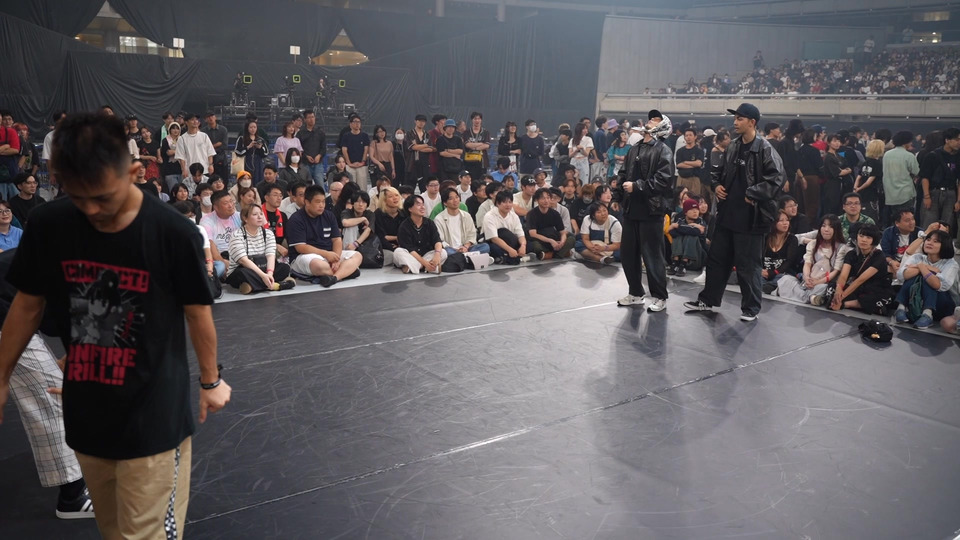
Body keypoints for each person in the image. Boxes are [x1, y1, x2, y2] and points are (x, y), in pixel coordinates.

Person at [0, 113, 229, 539]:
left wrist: (210, 380)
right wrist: (1, 377)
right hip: (87, 412)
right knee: (112, 529)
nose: (92, 210)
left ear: (136, 172)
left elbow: (198, 311)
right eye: (78, 197)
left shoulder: (172, 232)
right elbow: (29, 304)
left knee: (143, 535)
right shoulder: (50, 224)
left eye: (103, 197)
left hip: (154, 416)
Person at [0, 249, 95, 520]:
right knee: (53, 394)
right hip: (6, 318)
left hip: (13, 311)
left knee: (55, 386)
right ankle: (72, 497)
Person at [684, 103, 785, 321]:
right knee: (717, 260)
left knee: (748, 266)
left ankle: (751, 308)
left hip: (751, 217)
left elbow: (777, 180)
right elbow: (718, 171)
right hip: (727, 213)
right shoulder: (733, 146)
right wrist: (717, 185)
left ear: (752, 122)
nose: (735, 122)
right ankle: (708, 299)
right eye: (735, 118)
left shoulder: (765, 149)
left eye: (740, 118)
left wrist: (753, 193)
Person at [615, 113, 675, 312]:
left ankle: (660, 296)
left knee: (652, 256)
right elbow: (623, 173)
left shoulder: (664, 150)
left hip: (651, 210)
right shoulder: (635, 148)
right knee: (628, 254)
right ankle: (635, 293)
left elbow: (663, 180)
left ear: (663, 126)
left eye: (656, 120)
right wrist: (617, 196)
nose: (650, 121)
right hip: (631, 209)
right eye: (651, 119)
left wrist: (637, 186)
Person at [286, 185, 362, 287]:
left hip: (329, 254)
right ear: (307, 202)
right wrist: (326, 254)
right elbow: (301, 247)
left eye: (323, 202)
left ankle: (334, 278)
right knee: (319, 265)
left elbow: (337, 240)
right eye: (318, 202)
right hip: (305, 256)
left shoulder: (329, 215)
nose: (321, 205)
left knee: (357, 256)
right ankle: (346, 272)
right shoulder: (296, 219)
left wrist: (336, 259)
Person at [776, 215, 849, 305]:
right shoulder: (813, 244)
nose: (826, 229)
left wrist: (818, 282)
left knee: (824, 288)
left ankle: (799, 295)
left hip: (824, 282)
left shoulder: (841, 248)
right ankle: (810, 298)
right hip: (808, 281)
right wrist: (806, 278)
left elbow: (836, 271)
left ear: (836, 229)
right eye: (823, 226)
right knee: (786, 279)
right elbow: (807, 264)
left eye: (831, 227)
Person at [894, 230, 958, 329]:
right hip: (918, 299)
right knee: (917, 275)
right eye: (928, 239)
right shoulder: (917, 257)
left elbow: (937, 285)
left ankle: (927, 314)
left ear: (945, 245)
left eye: (936, 241)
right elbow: (903, 275)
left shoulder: (951, 264)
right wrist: (924, 267)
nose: (929, 243)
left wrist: (922, 267)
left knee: (928, 277)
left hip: (942, 304)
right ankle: (900, 309)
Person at [226, 204, 295, 294]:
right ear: (245, 218)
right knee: (242, 273)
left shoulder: (268, 233)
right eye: (255, 214)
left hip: (263, 267)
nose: (259, 217)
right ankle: (276, 285)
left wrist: (269, 274)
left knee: (284, 267)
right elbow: (244, 261)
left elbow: (270, 256)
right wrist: (263, 276)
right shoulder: (237, 235)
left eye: (261, 214)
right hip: (245, 269)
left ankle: (253, 286)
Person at [827, 224, 893, 315]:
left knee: (875, 298)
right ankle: (852, 304)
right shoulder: (851, 254)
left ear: (874, 240)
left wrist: (840, 298)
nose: (864, 240)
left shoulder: (879, 256)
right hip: (856, 288)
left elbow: (861, 280)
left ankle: (845, 304)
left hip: (874, 287)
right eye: (861, 236)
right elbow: (843, 276)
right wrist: (839, 289)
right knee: (832, 288)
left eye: (868, 237)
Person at [393, 195, 448, 274]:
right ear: (410, 209)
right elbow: (410, 249)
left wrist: (437, 254)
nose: (422, 207)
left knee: (443, 252)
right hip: (412, 255)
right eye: (418, 205)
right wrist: (425, 263)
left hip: (426, 255)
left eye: (423, 204)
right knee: (398, 252)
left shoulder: (430, 223)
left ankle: (413, 267)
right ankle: (427, 267)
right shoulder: (404, 226)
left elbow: (437, 241)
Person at [918, 127, 959, 229]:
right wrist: (926, 196)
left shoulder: (958, 157)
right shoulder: (933, 155)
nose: (959, 142)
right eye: (957, 140)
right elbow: (925, 177)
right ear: (947, 140)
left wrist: (958, 200)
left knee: (947, 225)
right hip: (933, 192)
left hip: (951, 192)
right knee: (929, 223)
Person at [200, 191, 241, 279]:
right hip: (221, 257)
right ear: (216, 207)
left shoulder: (239, 216)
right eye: (226, 203)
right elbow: (209, 244)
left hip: (240, 255)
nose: (230, 205)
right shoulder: (207, 220)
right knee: (221, 266)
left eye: (231, 201)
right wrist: (223, 261)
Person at [526, 187, 575, 260]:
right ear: (537, 200)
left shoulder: (555, 214)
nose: (546, 201)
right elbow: (533, 234)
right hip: (541, 240)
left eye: (548, 198)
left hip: (554, 238)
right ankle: (562, 253)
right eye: (543, 198)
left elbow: (562, 232)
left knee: (571, 238)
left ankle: (550, 255)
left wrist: (562, 242)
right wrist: (550, 241)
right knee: (535, 246)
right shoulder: (531, 214)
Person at [483, 190, 528, 265]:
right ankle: (511, 257)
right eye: (504, 202)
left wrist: (523, 246)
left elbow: (520, 234)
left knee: (528, 244)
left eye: (510, 202)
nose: (508, 205)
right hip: (496, 243)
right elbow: (494, 238)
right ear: (498, 203)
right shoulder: (489, 216)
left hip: (511, 242)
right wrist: (510, 250)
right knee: (496, 245)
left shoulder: (514, 216)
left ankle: (508, 257)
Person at [882, 131, 920, 219]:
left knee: (895, 218)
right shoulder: (909, 155)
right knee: (907, 218)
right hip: (905, 193)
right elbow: (916, 171)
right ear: (906, 142)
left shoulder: (887, 154)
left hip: (890, 193)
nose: (911, 143)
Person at [667, 198, 708, 277]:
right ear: (685, 212)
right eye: (692, 210)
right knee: (677, 236)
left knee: (692, 236)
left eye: (696, 209)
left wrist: (678, 227)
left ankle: (684, 264)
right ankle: (675, 262)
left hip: (696, 258)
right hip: (680, 257)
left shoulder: (701, 221)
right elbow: (672, 232)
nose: (695, 212)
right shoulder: (680, 220)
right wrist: (691, 227)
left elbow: (696, 232)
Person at [761, 210, 799, 294]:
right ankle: (765, 285)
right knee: (754, 274)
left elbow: (789, 261)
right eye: (781, 220)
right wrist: (762, 271)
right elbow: (759, 256)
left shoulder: (792, 239)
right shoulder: (766, 237)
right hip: (765, 272)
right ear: (774, 223)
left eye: (787, 220)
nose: (785, 223)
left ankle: (770, 286)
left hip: (781, 273)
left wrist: (774, 272)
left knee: (784, 278)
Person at [174, 113, 216, 182]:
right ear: (186, 122)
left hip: (204, 170)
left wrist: (211, 165)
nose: (195, 121)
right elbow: (181, 156)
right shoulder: (182, 139)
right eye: (192, 120)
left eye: (196, 120)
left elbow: (210, 152)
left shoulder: (204, 136)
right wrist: (183, 170)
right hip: (190, 172)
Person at [880, 209, 919, 275]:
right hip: (894, 265)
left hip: (912, 266)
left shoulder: (919, 233)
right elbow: (885, 253)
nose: (911, 223)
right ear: (897, 223)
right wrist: (892, 262)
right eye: (907, 220)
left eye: (912, 219)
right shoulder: (888, 233)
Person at [854, 139, 884, 222]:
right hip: (871, 194)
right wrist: (859, 188)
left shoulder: (865, 162)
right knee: (871, 217)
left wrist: (856, 188)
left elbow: (858, 177)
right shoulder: (878, 164)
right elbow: (869, 182)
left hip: (861, 194)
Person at [798, 129, 823, 222]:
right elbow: (819, 165)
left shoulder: (799, 150)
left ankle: (801, 222)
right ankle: (809, 223)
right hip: (812, 178)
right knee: (812, 203)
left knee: (801, 202)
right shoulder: (814, 151)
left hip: (800, 177)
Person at [341, 115, 371, 190]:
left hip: (362, 166)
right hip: (350, 165)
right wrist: (349, 163)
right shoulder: (346, 136)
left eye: (359, 122)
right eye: (355, 122)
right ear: (350, 124)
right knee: (351, 187)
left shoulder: (364, 135)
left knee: (362, 187)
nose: (357, 124)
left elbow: (366, 149)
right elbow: (344, 150)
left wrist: (362, 162)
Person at [298, 110, 326, 188]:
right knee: (306, 186)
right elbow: (298, 149)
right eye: (309, 117)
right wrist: (306, 156)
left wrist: (319, 156)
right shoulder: (300, 133)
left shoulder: (320, 132)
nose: (311, 119)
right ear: (305, 120)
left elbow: (323, 148)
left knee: (320, 186)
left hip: (318, 164)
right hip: (305, 163)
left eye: (313, 117)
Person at [235, 120, 268, 185]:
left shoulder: (260, 139)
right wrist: (248, 147)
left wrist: (260, 148)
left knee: (258, 181)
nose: (253, 129)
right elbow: (237, 151)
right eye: (251, 127)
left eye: (255, 127)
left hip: (258, 163)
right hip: (246, 162)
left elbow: (266, 153)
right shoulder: (242, 138)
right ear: (247, 128)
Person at [404, 114, 433, 189]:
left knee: (424, 187)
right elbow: (411, 147)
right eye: (419, 121)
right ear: (415, 121)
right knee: (409, 188)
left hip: (424, 164)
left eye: (423, 121)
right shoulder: (410, 133)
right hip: (412, 164)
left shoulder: (427, 134)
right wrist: (425, 145)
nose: (421, 123)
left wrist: (418, 147)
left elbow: (430, 148)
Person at [675, 127, 705, 197]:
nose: (688, 137)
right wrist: (693, 164)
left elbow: (699, 163)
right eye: (686, 135)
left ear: (695, 137)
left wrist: (685, 162)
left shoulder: (699, 151)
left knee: (694, 198)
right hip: (681, 179)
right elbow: (679, 164)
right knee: (680, 199)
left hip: (694, 179)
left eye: (690, 135)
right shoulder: (680, 151)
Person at [260, 184, 288, 258]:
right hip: (261, 248)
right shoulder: (258, 214)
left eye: (280, 196)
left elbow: (288, 235)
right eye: (275, 195)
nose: (279, 198)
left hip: (279, 249)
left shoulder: (283, 216)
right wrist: (275, 246)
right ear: (266, 198)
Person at [461, 112, 490, 179]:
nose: (477, 120)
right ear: (472, 120)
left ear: (481, 120)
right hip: (469, 161)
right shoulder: (466, 132)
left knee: (481, 180)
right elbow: (467, 144)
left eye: (478, 119)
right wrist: (481, 143)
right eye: (475, 119)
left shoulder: (485, 132)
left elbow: (487, 145)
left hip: (482, 161)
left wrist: (475, 148)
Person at [201, 112, 229, 179]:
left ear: (215, 117)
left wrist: (210, 147)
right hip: (207, 160)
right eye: (208, 117)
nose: (210, 118)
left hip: (221, 158)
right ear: (205, 120)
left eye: (212, 116)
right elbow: (203, 147)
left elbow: (224, 145)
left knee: (223, 180)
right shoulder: (203, 132)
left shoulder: (223, 130)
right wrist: (216, 145)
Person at [159, 122, 182, 190]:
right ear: (170, 130)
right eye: (173, 129)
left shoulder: (182, 139)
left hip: (182, 169)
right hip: (169, 170)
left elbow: (185, 152)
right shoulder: (165, 140)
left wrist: (174, 151)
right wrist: (179, 151)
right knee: (173, 190)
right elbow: (168, 153)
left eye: (177, 129)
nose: (175, 130)